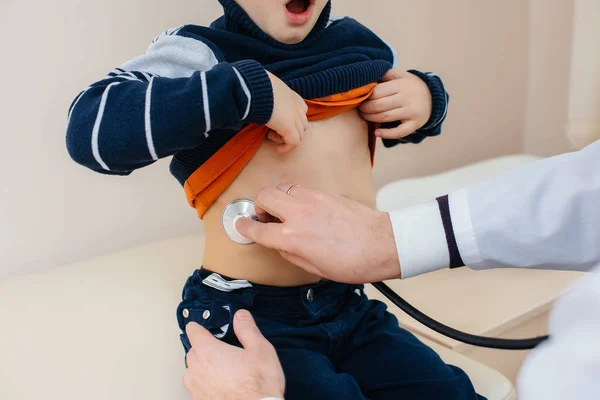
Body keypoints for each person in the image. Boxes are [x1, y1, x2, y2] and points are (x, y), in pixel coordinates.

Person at [65, 0, 483, 399]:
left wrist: (426, 100)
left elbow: (392, 113)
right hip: (251, 313)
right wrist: (241, 92)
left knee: (450, 391)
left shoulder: (360, 46)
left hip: (347, 303)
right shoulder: (203, 53)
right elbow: (89, 131)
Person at [181, 139, 599, 399]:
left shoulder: (350, 50)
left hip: (345, 303)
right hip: (253, 311)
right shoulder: (197, 60)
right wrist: (388, 239)